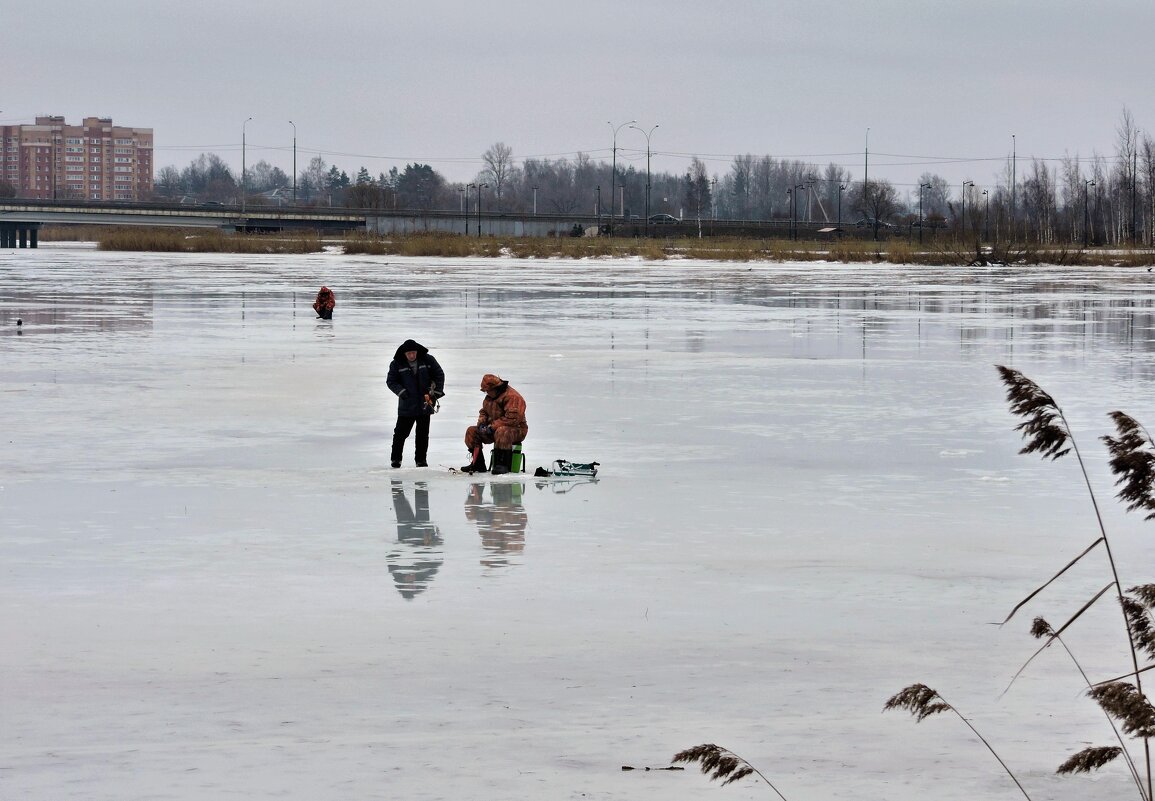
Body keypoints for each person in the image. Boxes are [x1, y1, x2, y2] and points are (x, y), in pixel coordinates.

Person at [386, 339, 445, 468]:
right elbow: (391, 381)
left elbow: (439, 374)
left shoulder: (428, 360)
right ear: (404, 353)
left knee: (423, 435)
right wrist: (402, 392)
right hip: (407, 405)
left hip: (426, 403)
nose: (412, 356)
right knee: (400, 434)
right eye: (409, 354)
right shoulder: (397, 364)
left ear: (417, 351)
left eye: (413, 353)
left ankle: (421, 460)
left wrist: (437, 392)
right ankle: (396, 459)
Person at [461, 374, 527, 475]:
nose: (486, 393)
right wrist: (482, 423)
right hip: (494, 428)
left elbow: (512, 419)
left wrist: (492, 427)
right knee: (472, 431)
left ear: (495, 388)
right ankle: (477, 464)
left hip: (516, 430)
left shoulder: (513, 397)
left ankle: (502, 465)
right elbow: (484, 411)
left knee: (502, 431)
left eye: (487, 390)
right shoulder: (490, 396)